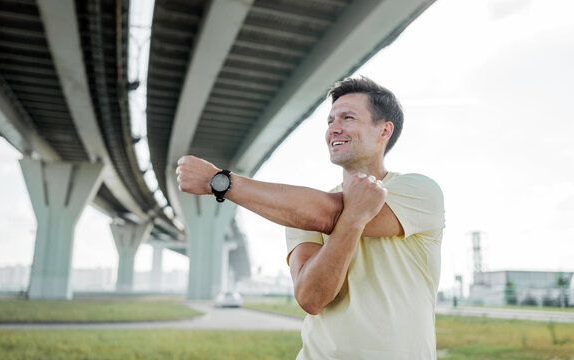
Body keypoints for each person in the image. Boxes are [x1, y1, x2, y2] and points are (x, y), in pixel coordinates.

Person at [176, 76, 445, 359]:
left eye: (348, 118)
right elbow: (311, 298)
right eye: (330, 121)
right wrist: (353, 218)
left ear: (384, 131)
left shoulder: (420, 191)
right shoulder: (299, 210)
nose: (334, 129)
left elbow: (326, 214)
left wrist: (219, 182)